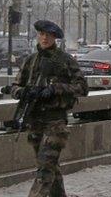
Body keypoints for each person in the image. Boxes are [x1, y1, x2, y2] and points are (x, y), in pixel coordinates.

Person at [9, 20, 89, 197]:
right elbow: (15, 86)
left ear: (55, 37)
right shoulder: (31, 61)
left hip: (55, 121)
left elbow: (83, 87)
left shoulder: (65, 61)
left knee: (45, 167)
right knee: (49, 166)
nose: (44, 38)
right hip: (35, 119)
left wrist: (55, 89)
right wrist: (23, 92)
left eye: (48, 35)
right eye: (41, 34)